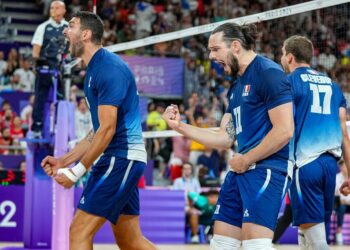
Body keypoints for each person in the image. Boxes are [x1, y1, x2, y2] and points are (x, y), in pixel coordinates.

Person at [163, 22, 294, 250]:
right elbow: (225, 137)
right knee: (221, 244)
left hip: (267, 169)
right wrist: (179, 126)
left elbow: (285, 131)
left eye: (215, 49)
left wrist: (246, 159)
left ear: (235, 46)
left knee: (256, 245)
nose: (211, 56)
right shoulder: (236, 86)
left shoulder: (268, 73)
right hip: (239, 170)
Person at [41, 11, 156, 250]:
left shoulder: (108, 68)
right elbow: (97, 132)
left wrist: (77, 172)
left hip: (120, 158)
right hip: (119, 158)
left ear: (85, 34)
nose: (64, 30)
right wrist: (64, 161)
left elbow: (108, 130)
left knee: (79, 231)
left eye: (70, 26)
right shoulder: (93, 70)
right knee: (129, 241)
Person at [280, 35, 350, 250]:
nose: (282, 58)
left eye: (282, 54)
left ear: (289, 57)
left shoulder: (288, 82)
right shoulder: (333, 85)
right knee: (309, 231)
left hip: (306, 163)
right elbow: (344, 133)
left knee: (317, 241)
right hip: (330, 166)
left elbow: (281, 126)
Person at [31, 0, 68, 138]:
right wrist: (36, 65)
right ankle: (37, 129)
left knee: (62, 99)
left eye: (57, 7)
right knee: (40, 97)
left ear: (64, 10)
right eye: (52, 7)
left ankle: (61, 128)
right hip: (45, 68)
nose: (54, 10)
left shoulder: (69, 27)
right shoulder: (43, 27)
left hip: (62, 69)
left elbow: (73, 49)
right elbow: (36, 50)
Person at [334, 159, 350, 245]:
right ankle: (339, 231)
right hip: (340, 204)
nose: (346, 168)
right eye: (343, 166)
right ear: (340, 167)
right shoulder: (336, 178)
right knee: (341, 208)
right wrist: (341, 200)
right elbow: (335, 194)